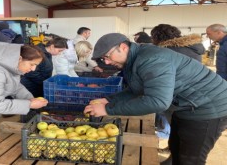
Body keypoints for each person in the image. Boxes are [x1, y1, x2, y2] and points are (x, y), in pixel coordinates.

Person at [84, 33, 227, 165]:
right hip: (186, 105)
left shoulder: (152, 59)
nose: (107, 63)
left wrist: (107, 109)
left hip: (209, 108)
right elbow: (137, 89)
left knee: (190, 159)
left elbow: (158, 102)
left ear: (123, 47)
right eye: (103, 59)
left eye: (107, 57)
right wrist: (109, 100)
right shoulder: (135, 58)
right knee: (176, 149)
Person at [151, 24, 206, 140]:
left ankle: (165, 134)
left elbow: (161, 74)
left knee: (168, 113)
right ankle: (170, 138)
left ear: (158, 37)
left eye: (153, 37)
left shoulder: (168, 51)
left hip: (178, 91)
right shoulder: (193, 48)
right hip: (195, 91)